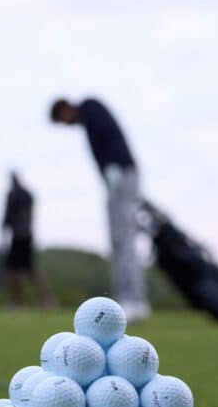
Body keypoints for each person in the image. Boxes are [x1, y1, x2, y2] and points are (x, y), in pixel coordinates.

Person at [50, 97, 150, 321]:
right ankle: (126, 298)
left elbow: (108, 135)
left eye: (62, 120)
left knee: (123, 239)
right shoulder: (87, 116)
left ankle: (134, 300)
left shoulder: (90, 107)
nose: (66, 125)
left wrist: (113, 165)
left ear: (65, 109)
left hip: (121, 174)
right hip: (118, 176)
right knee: (118, 240)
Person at [1, 171, 54, 308]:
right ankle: (45, 299)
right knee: (30, 270)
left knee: (15, 271)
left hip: (18, 236)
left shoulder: (13, 194)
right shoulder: (28, 194)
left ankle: (17, 302)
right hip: (27, 235)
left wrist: (4, 225)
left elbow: (7, 215)